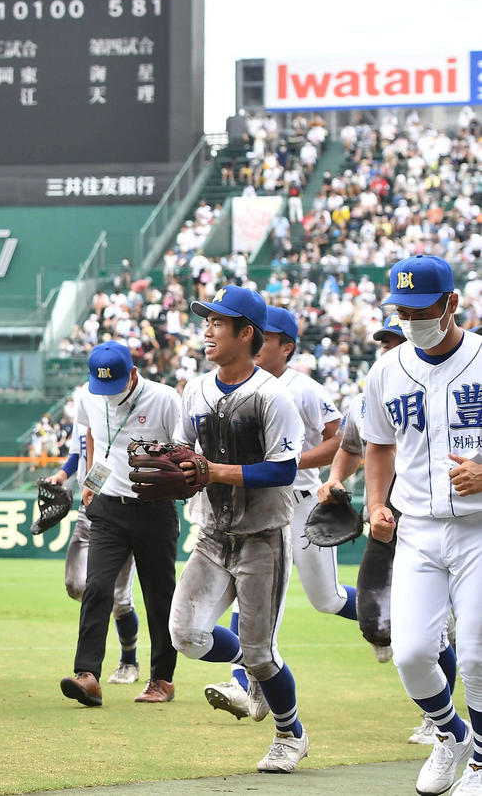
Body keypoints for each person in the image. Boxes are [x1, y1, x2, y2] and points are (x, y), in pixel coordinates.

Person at [166, 284, 311, 774]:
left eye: (218, 322)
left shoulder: (273, 395)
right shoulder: (197, 389)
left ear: (246, 333)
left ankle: (291, 734)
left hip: (263, 537)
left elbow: (284, 469)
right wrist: (175, 472)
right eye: (206, 321)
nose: (207, 329)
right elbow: (186, 455)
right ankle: (252, 666)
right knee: (184, 634)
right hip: (211, 534)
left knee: (263, 656)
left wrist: (212, 472)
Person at [362, 255, 482, 796]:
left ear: (451, 304)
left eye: (420, 309)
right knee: (410, 653)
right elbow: (379, 443)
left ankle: (480, 763)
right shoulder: (387, 368)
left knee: (477, 652)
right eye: (401, 309)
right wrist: (374, 503)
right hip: (417, 530)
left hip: (479, 529)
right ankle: (449, 734)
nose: (409, 319)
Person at [205, 305, 350, 720]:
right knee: (253, 591)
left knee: (328, 598)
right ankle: (242, 684)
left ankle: (385, 621)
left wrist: (285, 463)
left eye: (266, 338)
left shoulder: (301, 388)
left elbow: (337, 440)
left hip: (303, 504)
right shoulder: (234, 384)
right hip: (258, 507)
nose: (257, 340)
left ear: (286, 347)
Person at [319, 314, 458, 747]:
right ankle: (442, 715)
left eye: (395, 339)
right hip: (387, 518)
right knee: (377, 621)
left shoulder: (445, 385)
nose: (389, 347)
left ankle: (440, 724)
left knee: (438, 636)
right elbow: (351, 446)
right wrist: (336, 478)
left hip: (441, 516)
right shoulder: (372, 392)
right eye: (385, 341)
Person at [59, 340, 184, 707]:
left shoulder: (164, 399)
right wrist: (92, 484)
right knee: (97, 587)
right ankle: (88, 676)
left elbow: (184, 448)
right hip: (108, 507)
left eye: (115, 385)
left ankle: (162, 679)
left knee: (159, 597)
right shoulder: (90, 394)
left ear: (132, 373)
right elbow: (96, 437)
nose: (108, 395)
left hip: (154, 508)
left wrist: (171, 474)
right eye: (102, 387)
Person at [37, 396, 142, 684]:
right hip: (89, 508)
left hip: (119, 507)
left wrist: (92, 485)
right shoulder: (88, 403)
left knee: (120, 599)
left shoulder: (127, 413)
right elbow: (77, 453)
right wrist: (62, 475)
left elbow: (110, 460)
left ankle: (129, 661)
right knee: (75, 585)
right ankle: (101, 599)